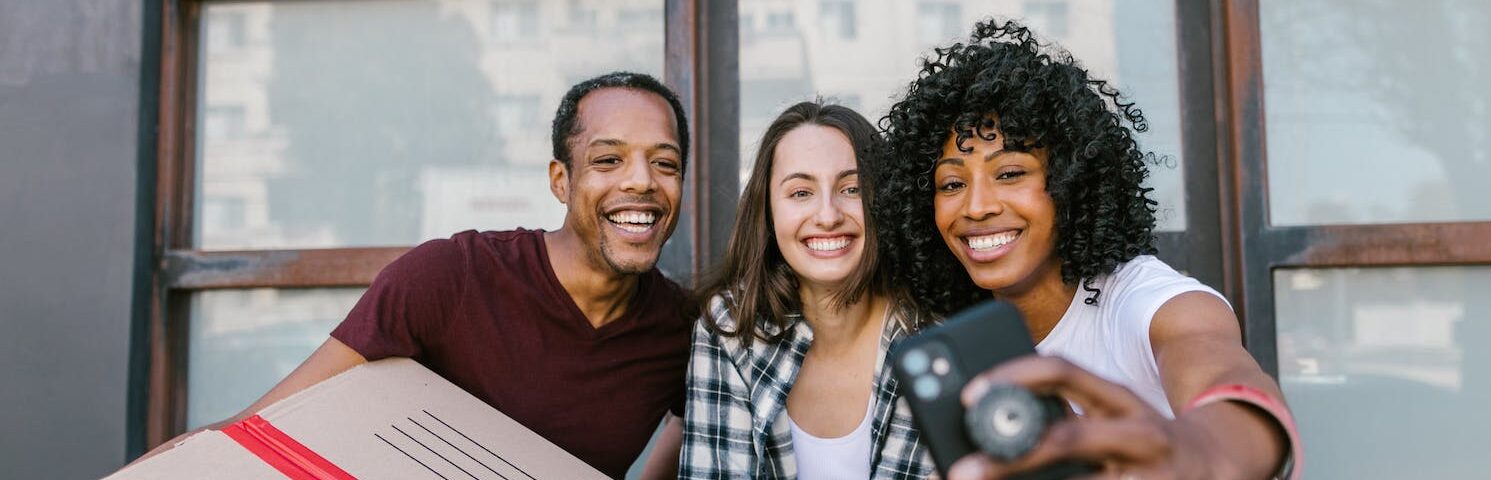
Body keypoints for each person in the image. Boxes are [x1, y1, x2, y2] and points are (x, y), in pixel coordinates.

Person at [129, 71, 694, 479]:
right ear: (560, 180)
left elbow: (690, 421)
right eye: (608, 159)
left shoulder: (682, 333)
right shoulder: (450, 279)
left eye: (664, 163)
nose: (641, 181)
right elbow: (257, 429)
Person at [874, 21, 1302, 479]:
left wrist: (1202, 452)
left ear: (1070, 182)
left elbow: (1222, 372)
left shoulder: (1145, 301)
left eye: (1011, 173)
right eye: (952, 184)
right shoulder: (950, 333)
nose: (976, 207)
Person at [678, 102, 934, 479]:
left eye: (852, 188)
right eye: (800, 193)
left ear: (884, 200)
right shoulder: (732, 327)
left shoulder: (929, 331)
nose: (828, 215)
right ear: (768, 210)